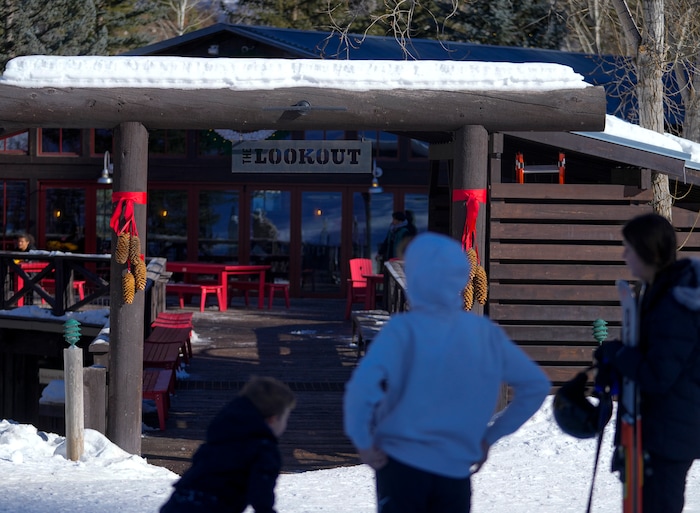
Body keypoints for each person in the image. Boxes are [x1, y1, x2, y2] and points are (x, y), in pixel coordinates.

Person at [344, 232, 550, 513]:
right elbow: (535, 385)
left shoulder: (401, 331)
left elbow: (361, 390)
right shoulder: (483, 332)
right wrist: (490, 436)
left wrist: (363, 440)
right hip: (454, 465)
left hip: (399, 464)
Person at [595, 213, 700, 513]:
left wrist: (619, 356)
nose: (624, 255)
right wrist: (616, 354)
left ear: (647, 251)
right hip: (659, 428)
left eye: (628, 248)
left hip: (669, 435)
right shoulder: (660, 291)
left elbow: (658, 375)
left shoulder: (674, 304)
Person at [160, 375, 296, 513]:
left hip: (177, 503)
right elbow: (260, 494)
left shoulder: (221, 436)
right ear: (272, 420)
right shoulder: (263, 448)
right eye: (285, 418)